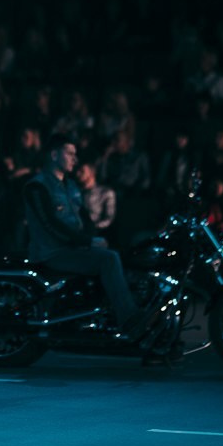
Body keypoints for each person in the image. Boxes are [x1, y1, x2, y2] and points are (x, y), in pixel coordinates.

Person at [23, 134, 156, 339]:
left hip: (73, 248)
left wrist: (92, 239)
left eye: (75, 154)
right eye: (70, 153)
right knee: (108, 259)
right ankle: (129, 319)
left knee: (122, 254)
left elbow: (85, 218)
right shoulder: (37, 186)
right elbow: (50, 224)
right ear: (54, 155)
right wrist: (87, 241)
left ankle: (108, 314)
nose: (75, 159)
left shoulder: (70, 185)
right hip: (52, 252)